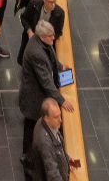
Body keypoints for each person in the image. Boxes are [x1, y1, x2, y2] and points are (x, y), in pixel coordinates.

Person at [18, 21, 71, 168]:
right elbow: (46, 81)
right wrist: (62, 100)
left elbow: (51, 57)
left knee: (32, 125)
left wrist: (60, 66)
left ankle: (31, 155)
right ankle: (27, 157)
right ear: (42, 36)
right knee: (30, 126)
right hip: (33, 98)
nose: (53, 38)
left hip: (37, 94)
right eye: (50, 36)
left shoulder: (43, 43)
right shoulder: (36, 53)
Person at [32, 98, 75, 181]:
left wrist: (67, 159)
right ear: (46, 118)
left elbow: (57, 147)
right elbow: (53, 175)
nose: (60, 120)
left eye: (60, 115)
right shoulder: (45, 143)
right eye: (56, 117)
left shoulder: (45, 122)